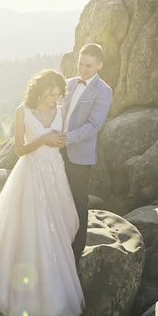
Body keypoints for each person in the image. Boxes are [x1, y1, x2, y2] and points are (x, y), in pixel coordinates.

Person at [0, 69, 85, 316]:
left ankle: (54, 290)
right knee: (29, 228)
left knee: (57, 228)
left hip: (55, 174)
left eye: (59, 95)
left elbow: (60, 140)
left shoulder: (60, 110)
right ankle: (18, 289)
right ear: (39, 91)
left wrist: (58, 141)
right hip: (30, 174)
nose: (55, 99)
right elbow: (19, 149)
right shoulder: (22, 112)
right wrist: (45, 140)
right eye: (51, 94)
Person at [61, 43, 113, 270]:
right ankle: (59, 240)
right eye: (80, 63)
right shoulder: (69, 84)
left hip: (79, 156)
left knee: (78, 200)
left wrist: (67, 138)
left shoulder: (104, 91)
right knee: (57, 196)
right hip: (56, 151)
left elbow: (94, 125)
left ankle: (77, 248)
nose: (82, 69)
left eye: (88, 65)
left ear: (100, 65)